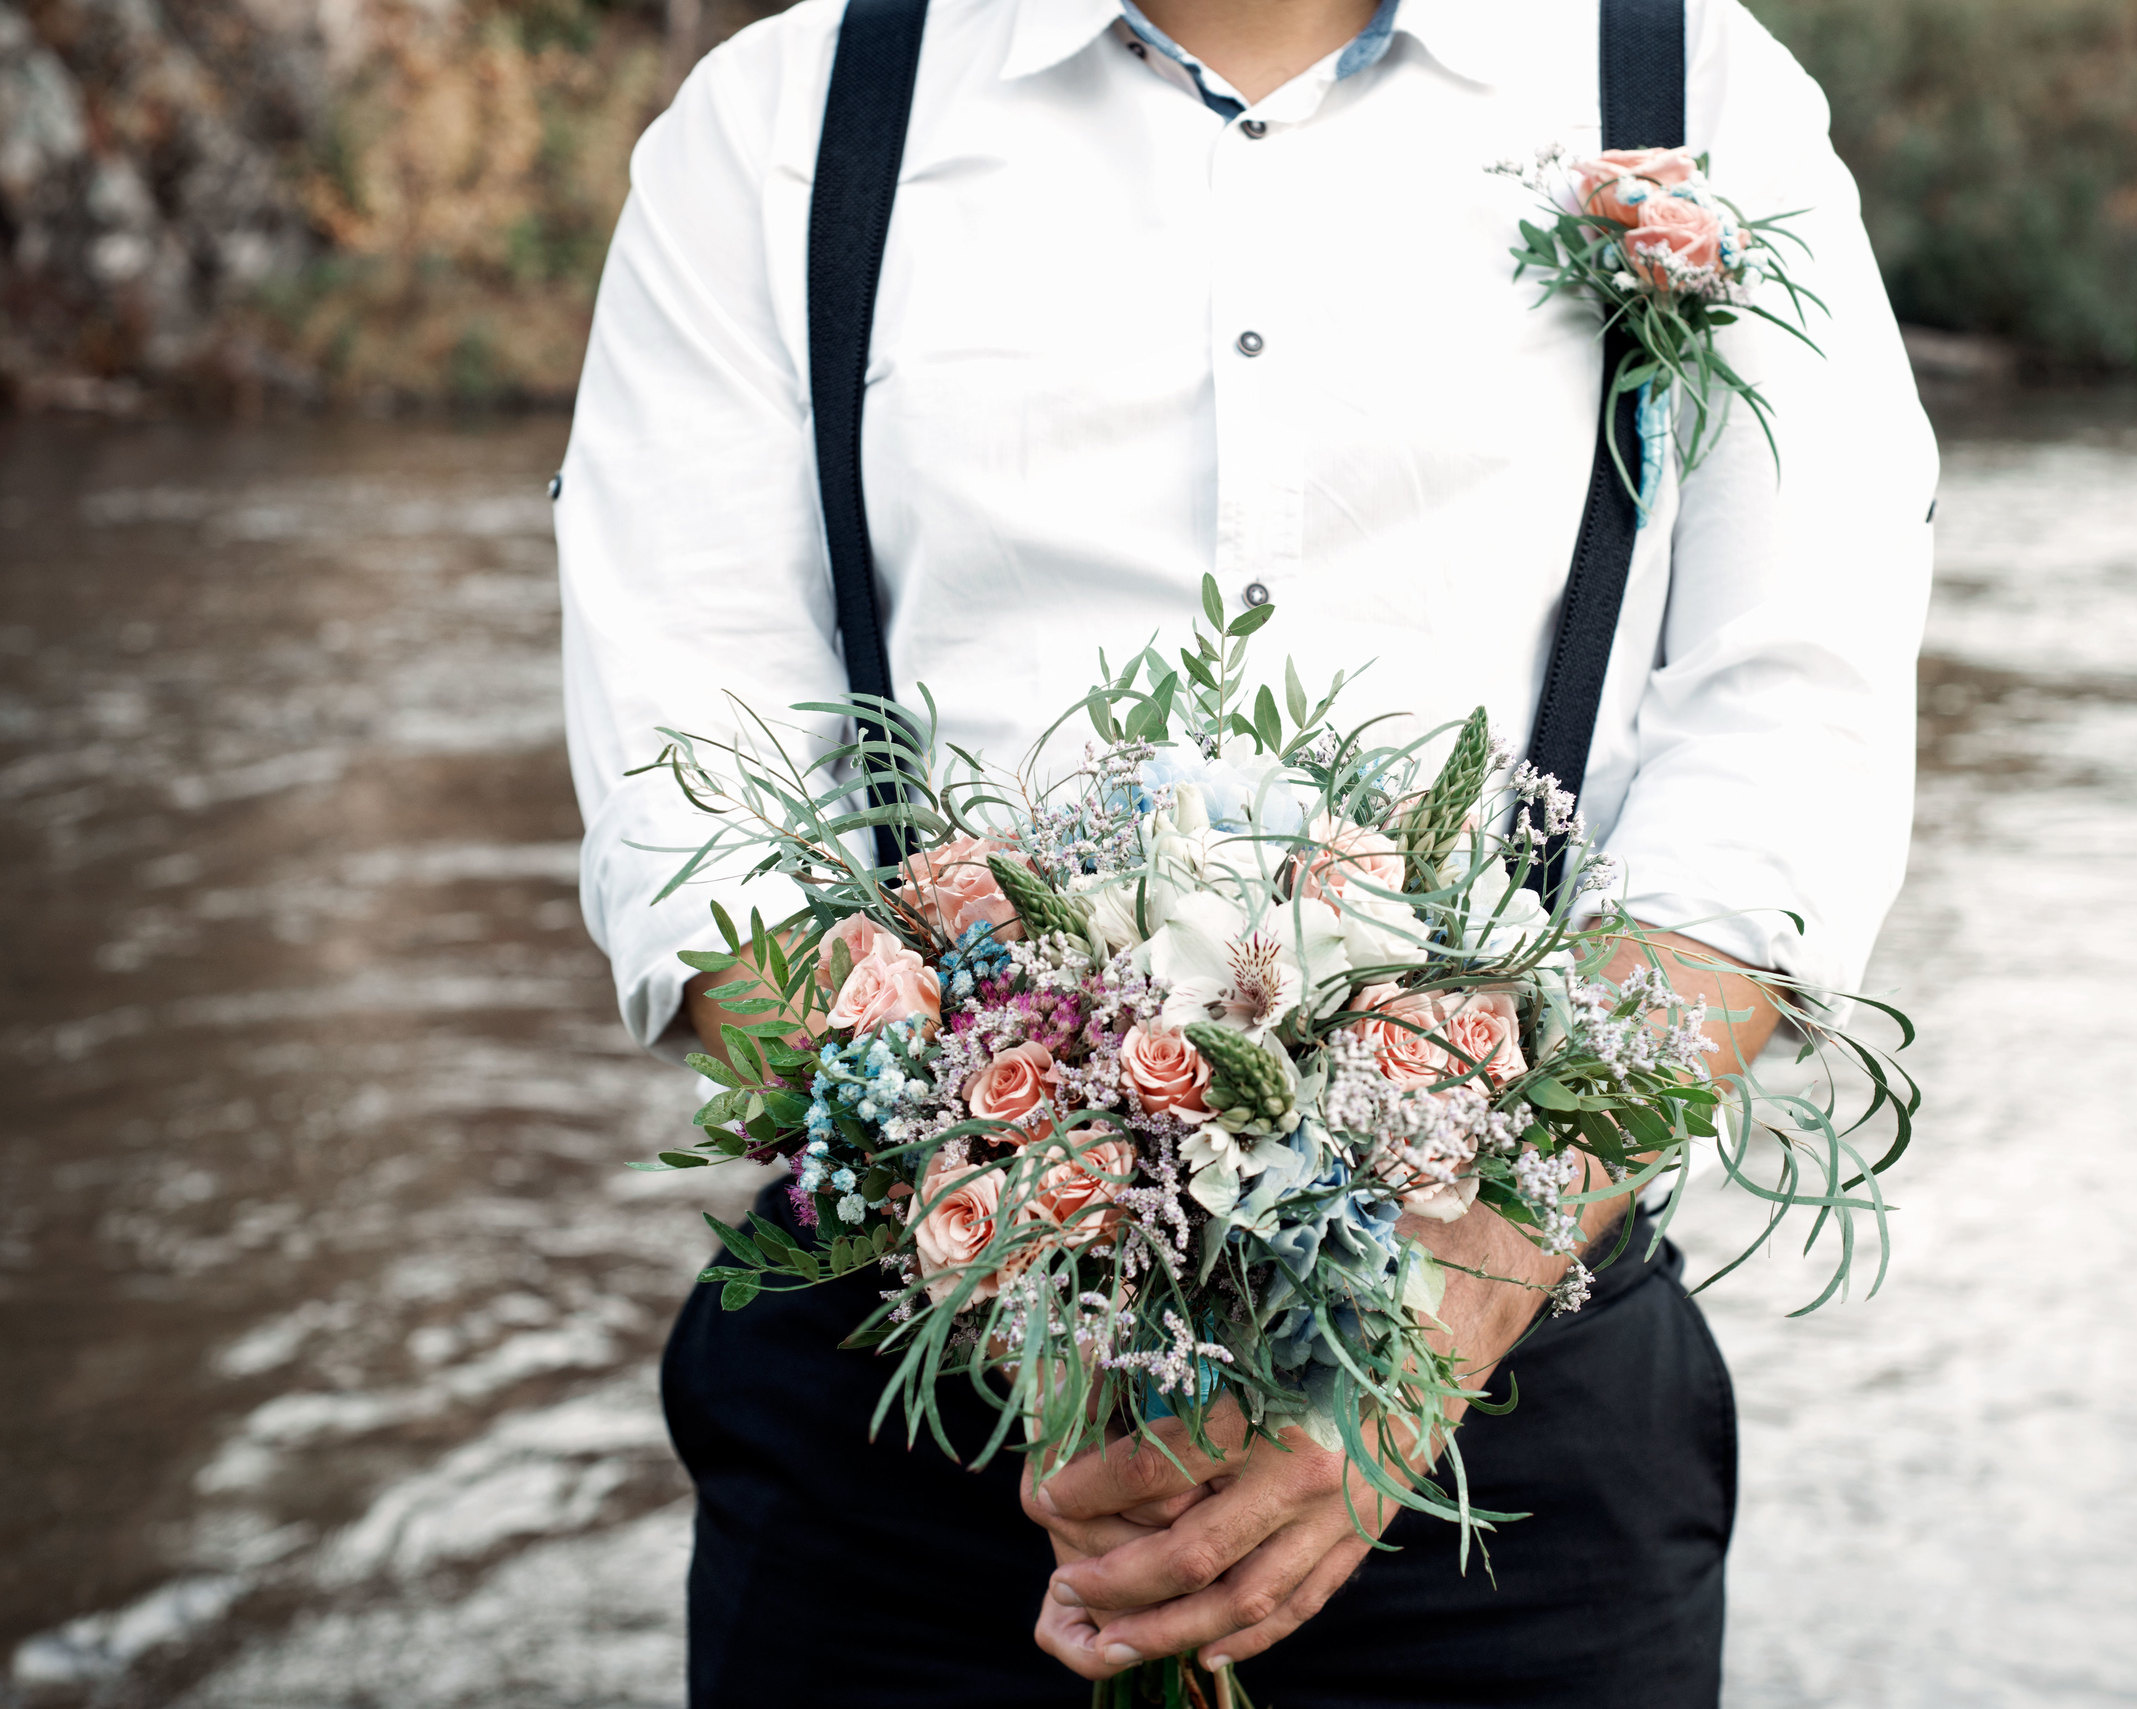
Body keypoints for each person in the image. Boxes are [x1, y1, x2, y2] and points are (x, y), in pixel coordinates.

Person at [555, 0, 1935, 1702]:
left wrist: (1435, 1321)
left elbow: (1791, 730)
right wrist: (1046, 1306)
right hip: (914, 1437)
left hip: (1510, 1425)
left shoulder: (1698, 88)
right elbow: (691, 784)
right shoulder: (777, 123)